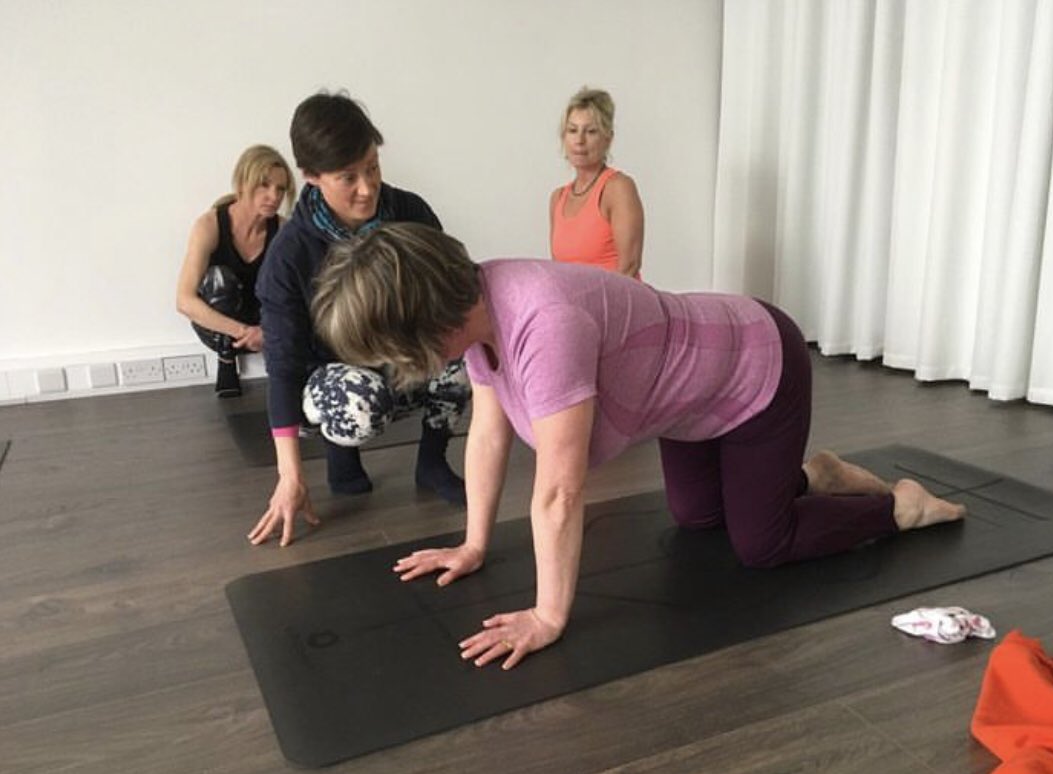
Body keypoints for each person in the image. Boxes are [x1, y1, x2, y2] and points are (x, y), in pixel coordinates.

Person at [310, 223, 968, 671]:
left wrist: (548, 614)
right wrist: (474, 544)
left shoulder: (543, 323)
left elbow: (561, 491)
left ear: (429, 318)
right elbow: (487, 429)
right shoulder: (474, 310)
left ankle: (900, 509)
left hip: (760, 366)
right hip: (692, 405)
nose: (403, 365)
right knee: (698, 519)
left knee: (761, 545)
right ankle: (808, 474)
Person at [248, 92, 469, 549]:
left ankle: (431, 463)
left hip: (398, 353)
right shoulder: (288, 256)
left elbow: (452, 293)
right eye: (348, 177)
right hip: (331, 376)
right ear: (311, 178)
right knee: (357, 403)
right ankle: (340, 454)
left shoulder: (411, 212)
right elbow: (284, 368)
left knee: (467, 352)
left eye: (372, 167)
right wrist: (290, 476)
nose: (367, 188)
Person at [176, 145, 295, 397]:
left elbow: (294, 296)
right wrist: (244, 333)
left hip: (264, 325)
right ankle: (226, 358)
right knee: (220, 278)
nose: (273, 196)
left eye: (280, 189)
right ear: (242, 183)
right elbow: (184, 301)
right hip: (221, 328)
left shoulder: (283, 230)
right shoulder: (209, 225)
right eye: (264, 185)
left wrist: (269, 331)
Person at [549, 87, 644, 278]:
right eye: (572, 130)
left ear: (608, 138)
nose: (579, 140)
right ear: (564, 137)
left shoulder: (618, 188)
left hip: (618, 303)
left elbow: (629, 266)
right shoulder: (557, 198)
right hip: (575, 306)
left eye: (591, 131)